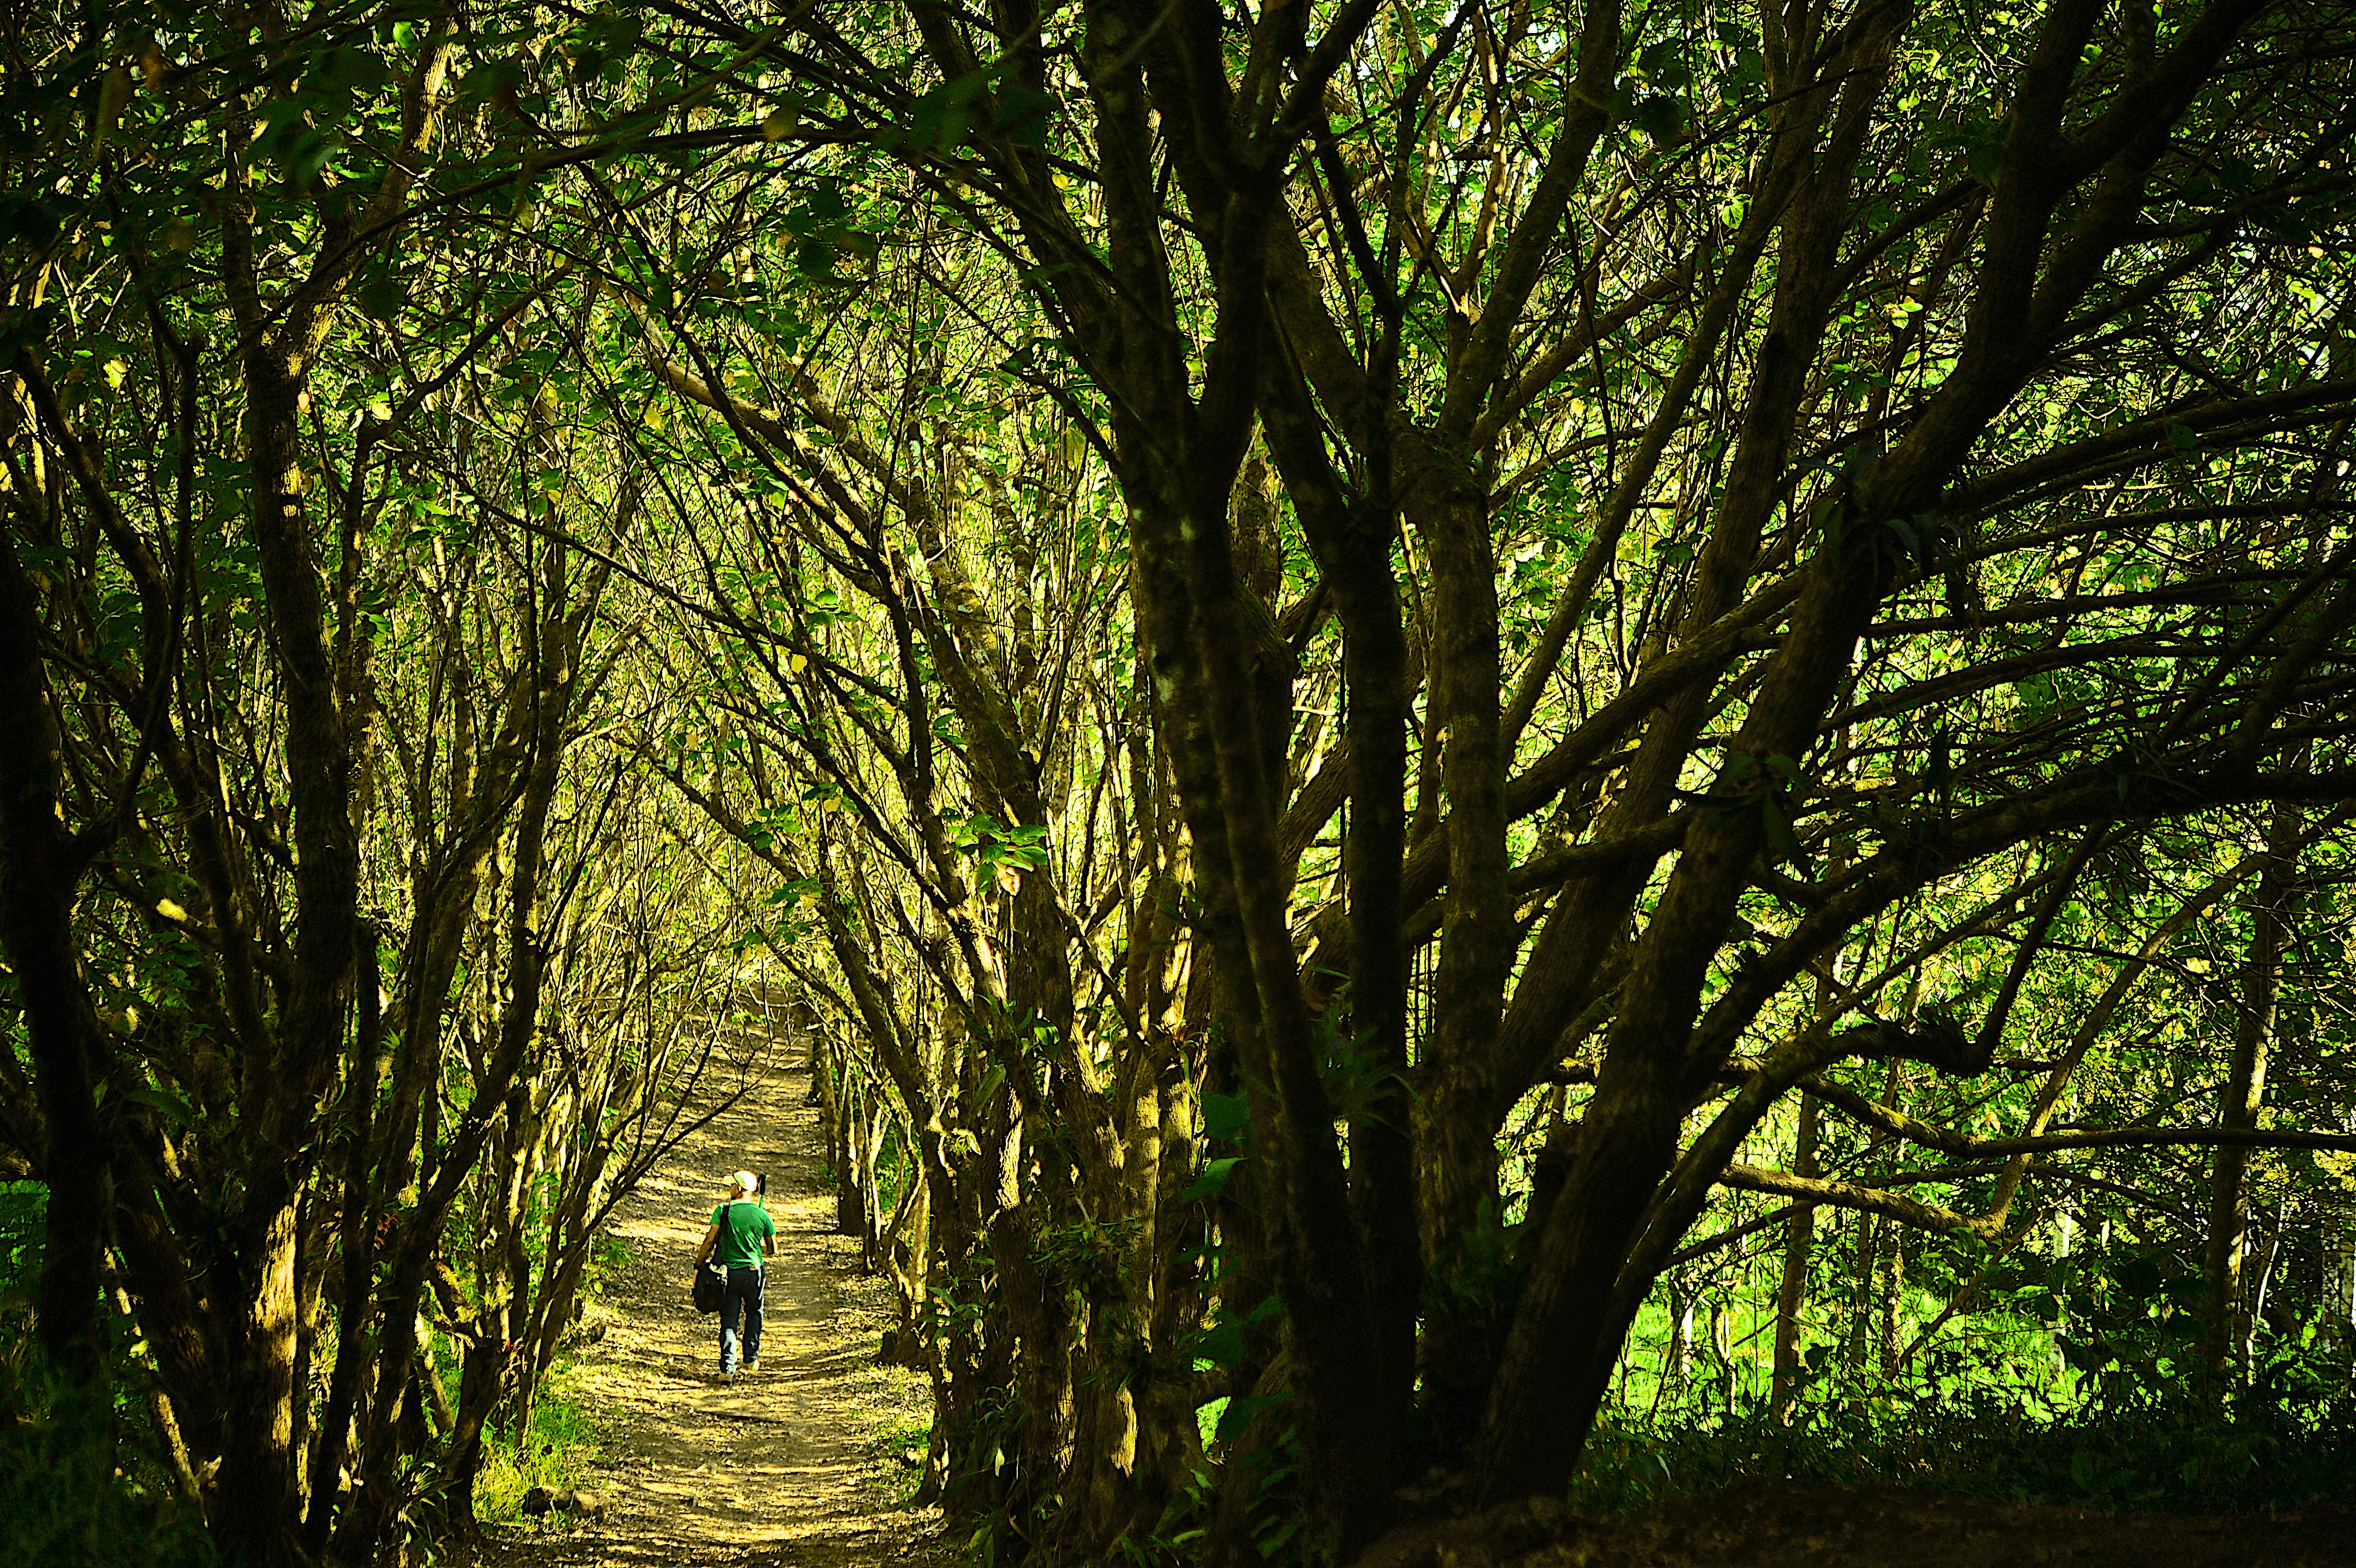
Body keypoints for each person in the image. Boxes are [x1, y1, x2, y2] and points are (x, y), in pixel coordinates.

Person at [694, 1169, 775, 1380]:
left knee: (730, 1320)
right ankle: (750, 1358)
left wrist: (699, 1264)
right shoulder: (762, 1215)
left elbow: (710, 1240)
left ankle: (728, 1369)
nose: (729, 1188)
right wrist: (760, 1245)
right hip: (754, 1273)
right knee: (754, 1313)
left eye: (732, 1185)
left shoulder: (723, 1210)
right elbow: (773, 1249)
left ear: (740, 1188)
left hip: (729, 1275)